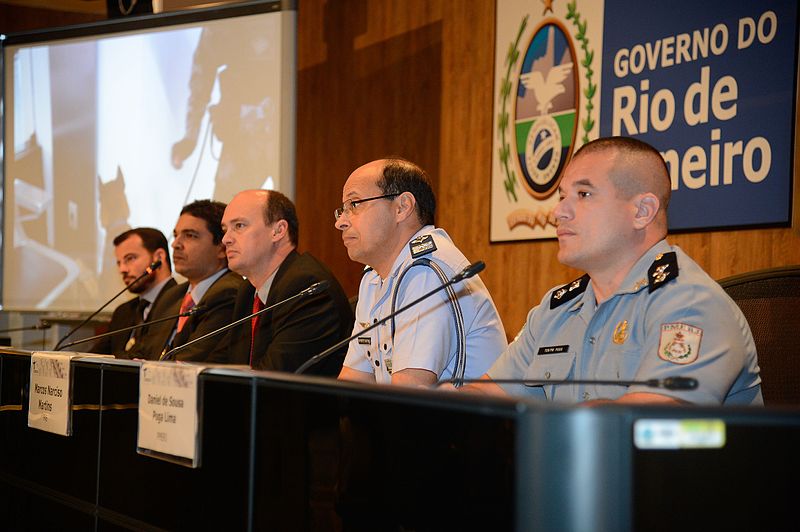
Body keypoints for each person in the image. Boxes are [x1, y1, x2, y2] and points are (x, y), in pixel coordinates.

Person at [465, 136, 762, 405]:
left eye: (583, 194)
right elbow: (487, 397)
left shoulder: (690, 304)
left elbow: (643, 429)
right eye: (561, 197)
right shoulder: (556, 309)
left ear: (642, 211)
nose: (558, 212)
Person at [334, 158, 507, 386]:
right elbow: (351, 386)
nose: (341, 223)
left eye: (354, 204)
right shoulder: (373, 278)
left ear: (402, 207)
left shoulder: (427, 271)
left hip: (466, 421)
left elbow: (409, 395)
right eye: (342, 210)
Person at [213, 189, 353, 374]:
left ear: (278, 231)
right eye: (224, 230)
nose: (226, 239)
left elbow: (274, 379)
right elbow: (221, 364)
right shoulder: (248, 291)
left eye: (239, 226)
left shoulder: (306, 288)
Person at [134, 200, 246, 361]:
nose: (175, 244)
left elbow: (191, 361)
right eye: (176, 235)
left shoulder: (229, 293)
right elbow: (141, 350)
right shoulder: (172, 295)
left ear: (222, 248)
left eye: (190, 235)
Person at [90, 228, 177, 357]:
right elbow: (93, 359)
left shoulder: (181, 304)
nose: (122, 269)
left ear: (158, 257)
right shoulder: (123, 312)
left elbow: (146, 356)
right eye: (119, 263)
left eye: (130, 259)